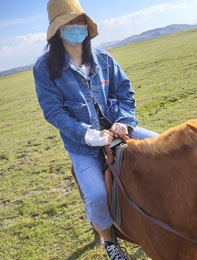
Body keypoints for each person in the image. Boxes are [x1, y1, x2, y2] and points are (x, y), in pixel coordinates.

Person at [33, 0, 159, 259]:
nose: (77, 27)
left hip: (120, 129)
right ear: (58, 31)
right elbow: (54, 112)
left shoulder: (103, 58)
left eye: (80, 21)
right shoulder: (44, 68)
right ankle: (111, 243)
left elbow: (125, 91)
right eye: (69, 23)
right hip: (82, 144)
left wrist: (124, 120)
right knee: (97, 196)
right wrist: (88, 135)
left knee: (165, 149)